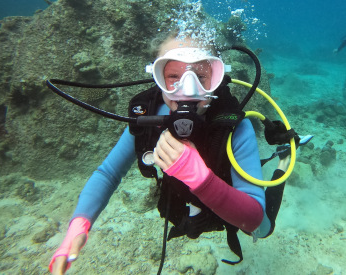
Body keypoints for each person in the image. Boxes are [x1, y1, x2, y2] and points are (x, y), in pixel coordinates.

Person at [49, 32, 295, 274]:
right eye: (173, 76)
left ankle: (283, 161)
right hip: (185, 205)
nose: (187, 90)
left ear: (216, 77)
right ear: (157, 77)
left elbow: (255, 221)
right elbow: (109, 172)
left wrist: (201, 179)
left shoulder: (233, 126)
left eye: (200, 76)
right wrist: (80, 223)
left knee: (265, 229)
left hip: (229, 199)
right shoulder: (147, 117)